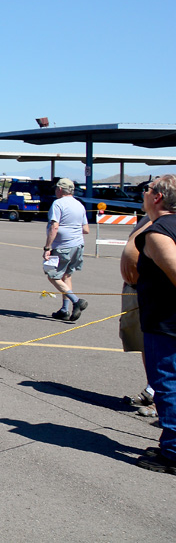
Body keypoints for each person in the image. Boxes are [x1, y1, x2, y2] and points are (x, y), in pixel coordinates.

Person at [127, 174, 176, 474]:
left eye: (146, 189)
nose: (143, 193)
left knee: (167, 385)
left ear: (157, 197)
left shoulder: (159, 233)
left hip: (167, 324)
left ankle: (172, 451)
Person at [121, 215, 157, 417]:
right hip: (138, 289)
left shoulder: (167, 221)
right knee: (146, 345)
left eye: (151, 189)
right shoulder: (149, 217)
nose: (145, 191)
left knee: (162, 351)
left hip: (155, 294)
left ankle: (162, 401)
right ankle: (153, 389)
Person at [43, 178, 90, 321]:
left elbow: (54, 226)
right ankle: (64, 309)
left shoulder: (58, 204)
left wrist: (47, 247)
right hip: (78, 245)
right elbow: (86, 229)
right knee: (67, 276)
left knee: (53, 276)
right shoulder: (79, 205)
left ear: (60, 190)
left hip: (62, 246)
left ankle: (76, 301)